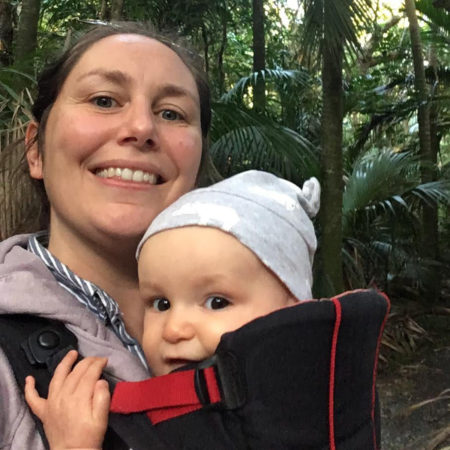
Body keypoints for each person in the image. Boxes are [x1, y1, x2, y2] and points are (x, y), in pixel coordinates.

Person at [0, 22, 212, 449]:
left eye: (171, 113)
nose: (141, 127)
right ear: (36, 150)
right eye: (103, 100)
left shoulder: (256, 317)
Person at [24, 169, 321, 449]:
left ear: (295, 312)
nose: (175, 328)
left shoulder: (297, 416)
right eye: (161, 304)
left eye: (217, 303)